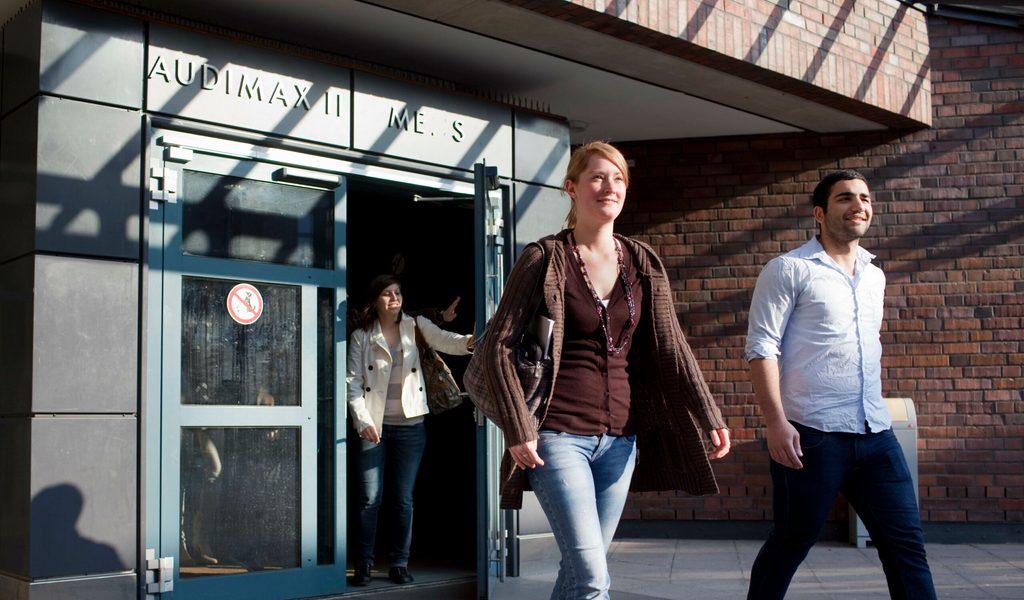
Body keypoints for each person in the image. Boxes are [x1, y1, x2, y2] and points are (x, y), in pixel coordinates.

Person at [475, 141, 731, 599]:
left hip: (621, 442)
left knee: (577, 572)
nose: (608, 186)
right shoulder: (544, 258)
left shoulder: (643, 261)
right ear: (571, 188)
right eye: (596, 177)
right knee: (593, 578)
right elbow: (497, 346)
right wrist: (518, 427)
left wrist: (708, 413)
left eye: (617, 178)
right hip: (557, 436)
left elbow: (673, 348)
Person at [744, 170, 936, 599]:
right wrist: (776, 423)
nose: (858, 206)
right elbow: (761, 348)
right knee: (792, 541)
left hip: (875, 433)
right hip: (812, 435)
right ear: (820, 212)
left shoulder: (875, 276)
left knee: (906, 546)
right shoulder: (789, 269)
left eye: (864, 198)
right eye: (845, 198)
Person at [347, 275, 473, 586]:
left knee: (403, 499)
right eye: (387, 293)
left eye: (398, 292)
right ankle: (363, 563)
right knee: (369, 499)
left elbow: (446, 340)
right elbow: (351, 383)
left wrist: (473, 341)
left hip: (411, 426)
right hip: (373, 428)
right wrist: (363, 422)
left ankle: (399, 563)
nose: (394, 297)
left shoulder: (415, 326)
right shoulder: (362, 336)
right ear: (376, 299)